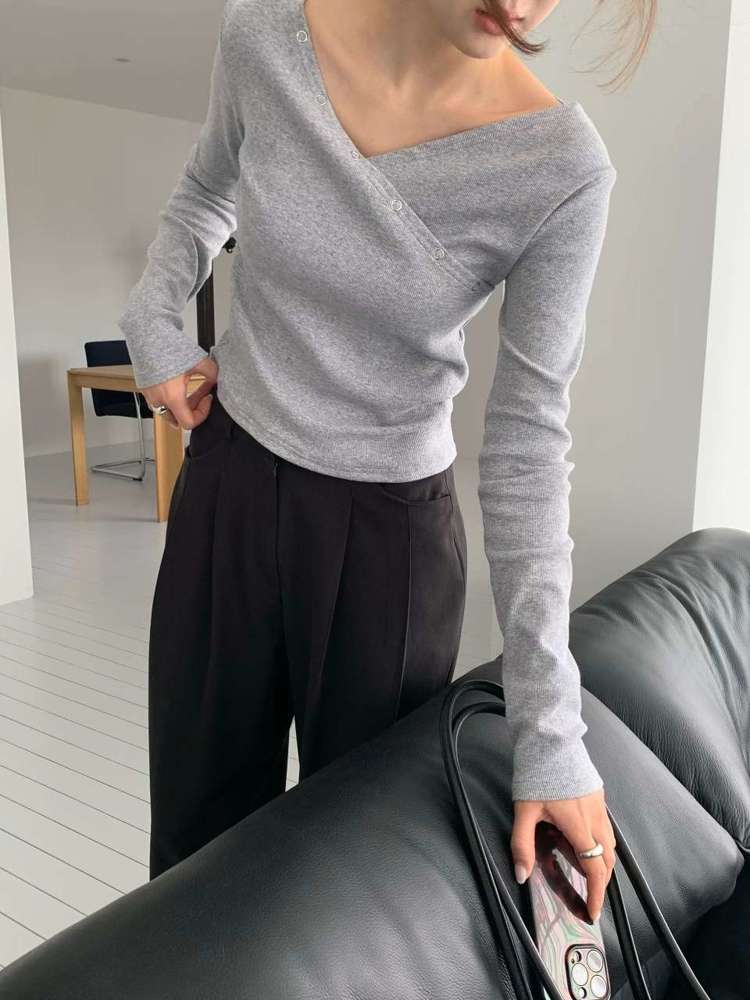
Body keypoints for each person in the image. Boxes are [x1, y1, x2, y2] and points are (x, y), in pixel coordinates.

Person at [117, 0, 645, 917]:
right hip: (228, 483)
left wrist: (552, 734)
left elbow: (527, 445)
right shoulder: (265, 36)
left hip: (386, 548)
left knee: (353, 882)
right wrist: (154, 318)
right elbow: (206, 192)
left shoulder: (561, 171)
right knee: (193, 858)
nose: (524, 4)